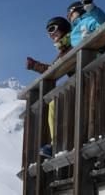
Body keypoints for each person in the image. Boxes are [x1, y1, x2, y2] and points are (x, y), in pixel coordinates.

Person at [26, 16, 73, 158]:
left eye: (53, 29)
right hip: (82, 82)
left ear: (63, 29)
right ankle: (58, 142)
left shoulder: (73, 42)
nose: (51, 34)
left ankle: (57, 143)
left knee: (54, 103)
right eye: (48, 32)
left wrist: (36, 66)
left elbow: (56, 67)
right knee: (54, 103)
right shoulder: (65, 49)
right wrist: (35, 66)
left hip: (87, 82)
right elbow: (54, 68)